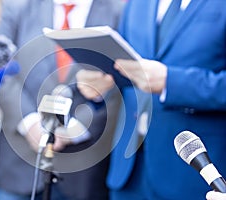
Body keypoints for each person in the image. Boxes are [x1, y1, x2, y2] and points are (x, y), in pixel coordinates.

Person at [76, 0, 226, 199]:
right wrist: (101, 87)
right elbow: (123, 69)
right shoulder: (137, 3)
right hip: (129, 169)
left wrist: (170, 82)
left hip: (192, 172)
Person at [0, 0, 124, 199]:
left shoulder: (118, 12)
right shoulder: (18, 6)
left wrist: (75, 129)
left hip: (84, 168)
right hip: (19, 163)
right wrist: (29, 122)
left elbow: (122, 82)